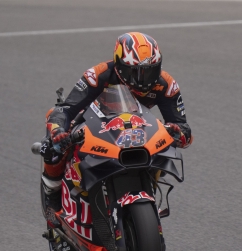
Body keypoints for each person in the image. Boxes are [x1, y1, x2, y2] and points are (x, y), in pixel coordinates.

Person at [40, 32, 193, 227]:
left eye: (150, 71)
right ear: (119, 65)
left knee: (163, 150)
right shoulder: (98, 74)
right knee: (54, 146)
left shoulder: (166, 84)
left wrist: (176, 132)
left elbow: (184, 128)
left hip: (137, 129)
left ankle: (144, 196)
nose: (143, 79)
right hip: (94, 123)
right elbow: (65, 110)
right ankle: (51, 194)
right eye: (135, 72)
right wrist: (57, 131)